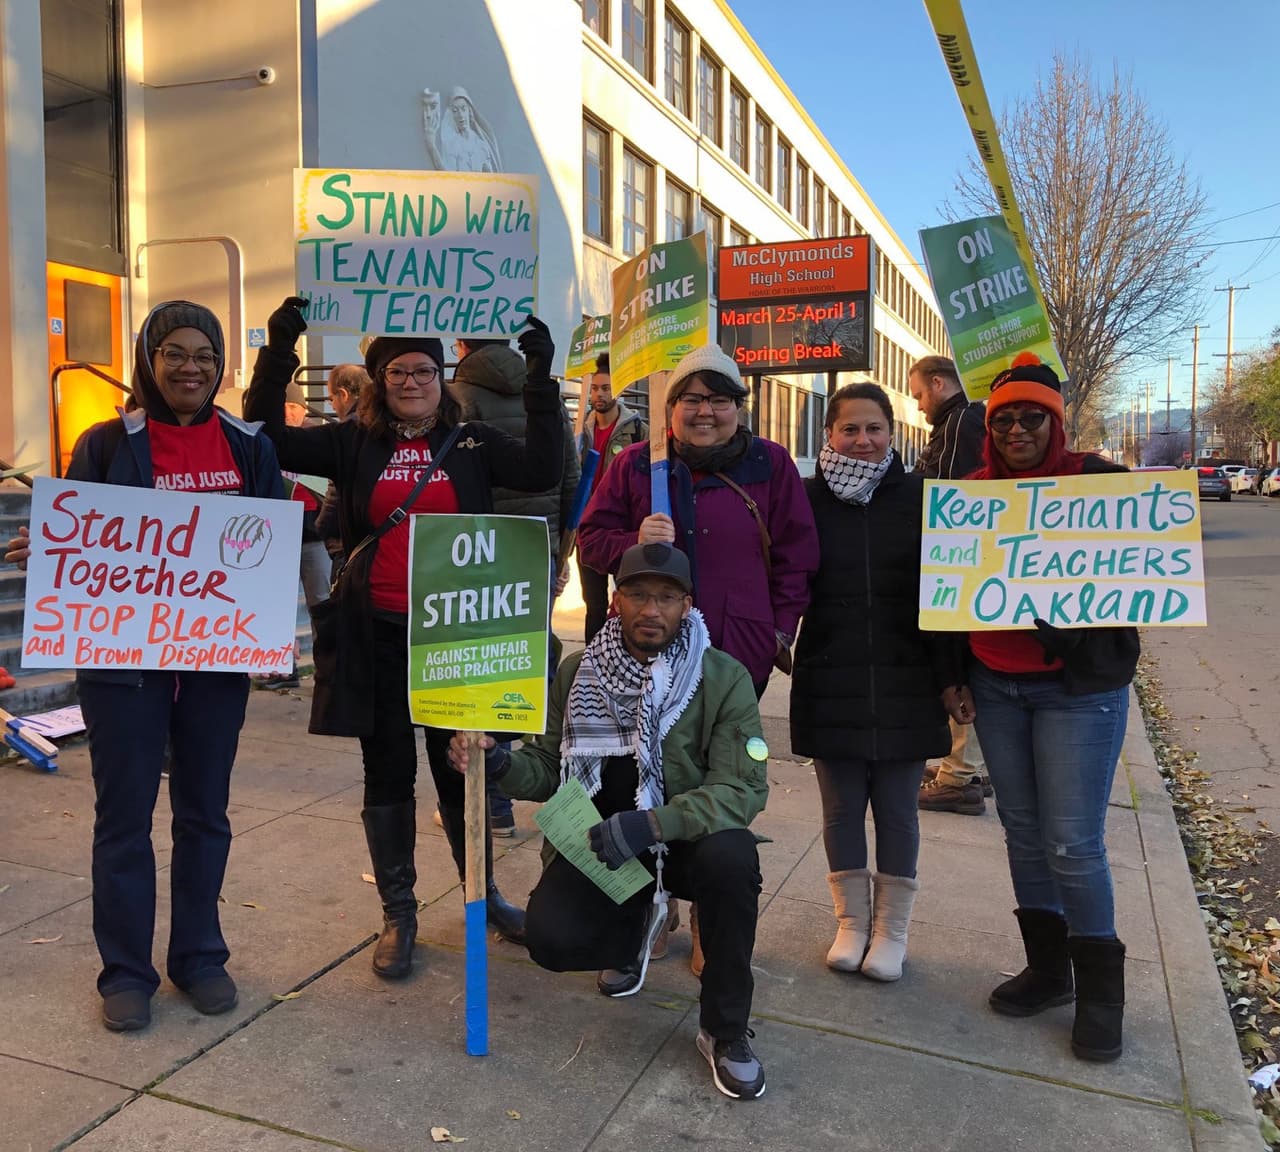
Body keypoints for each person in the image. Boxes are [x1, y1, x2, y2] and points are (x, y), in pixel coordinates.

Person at [242, 298, 563, 979]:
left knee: (460, 772)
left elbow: (541, 465)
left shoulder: (471, 442)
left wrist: (540, 374)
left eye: (423, 370)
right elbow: (265, 432)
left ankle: (482, 899)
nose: (411, 382)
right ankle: (399, 913)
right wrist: (280, 347)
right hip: (376, 635)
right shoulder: (350, 442)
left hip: (455, 640)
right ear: (378, 379)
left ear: (441, 376)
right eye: (396, 372)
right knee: (386, 774)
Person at [5, 301, 285, 1032]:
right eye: (175, 353)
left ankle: (199, 956)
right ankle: (125, 970)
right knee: (123, 816)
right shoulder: (105, 443)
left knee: (204, 814)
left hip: (215, 668)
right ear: (148, 359)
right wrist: (55, 554)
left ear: (221, 366)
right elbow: (85, 536)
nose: (191, 367)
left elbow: (266, 545)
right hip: (123, 667)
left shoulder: (249, 446)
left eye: (204, 355)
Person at [447, 543, 769, 1100]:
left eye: (666, 597)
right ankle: (634, 930)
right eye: (638, 594)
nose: (652, 610)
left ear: (687, 605)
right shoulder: (579, 670)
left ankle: (725, 1027)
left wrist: (653, 825)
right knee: (551, 942)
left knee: (733, 859)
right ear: (615, 599)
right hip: (601, 842)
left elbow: (742, 788)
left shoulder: (721, 677)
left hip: (682, 840)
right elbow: (549, 769)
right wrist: (498, 762)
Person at [578, 342, 818, 976]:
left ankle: (713, 917)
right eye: (691, 398)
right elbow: (591, 538)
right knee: (641, 775)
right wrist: (633, 540)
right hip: (642, 654)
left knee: (718, 778)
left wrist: (780, 631)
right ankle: (654, 909)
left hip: (734, 654)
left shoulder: (771, 464)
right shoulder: (636, 464)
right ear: (670, 408)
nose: (704, 411)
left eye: (718, 399)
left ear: (739, 406)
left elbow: (796, 554)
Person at [957, 355, 1138, 1063]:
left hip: (1078, 692)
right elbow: (944, 600)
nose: (1017, 429)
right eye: (1003, 419)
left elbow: (1149, 576)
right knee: (1023, 832)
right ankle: (1049, 969)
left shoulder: (1102, 484)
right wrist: (953, 676)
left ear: (1056, 422)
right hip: (996, 684)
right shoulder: (969, 494)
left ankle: (1102, 997)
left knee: (1073, 842)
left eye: (1033, 417)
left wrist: (1075, 620)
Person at [790, 383, 959, 981]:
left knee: (897, 812)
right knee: (840, 813)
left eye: (874, 429)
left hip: (908, 678)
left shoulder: (922, 497)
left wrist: (951, 677)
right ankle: (851, 924)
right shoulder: (804, 499)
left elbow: (948, 594)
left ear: (893, 434)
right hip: (829, 675)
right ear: (827, 436)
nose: (863, 441)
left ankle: (892, 932)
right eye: (849, 430)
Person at [448, 333, 580, 836]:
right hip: (535, 549)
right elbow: (567, 471)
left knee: (476, 670)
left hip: (476, 551)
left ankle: (492, 802)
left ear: (461, 343)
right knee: (517, 664)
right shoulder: (540, 390)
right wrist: (560, 548)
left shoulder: (457, 396)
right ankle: (505, 789)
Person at [909, 354, 991, 817]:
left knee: (959, 664)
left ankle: (959, 774)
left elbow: (945, 491)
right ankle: (963, 766)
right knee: (956, 661)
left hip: (956, 560)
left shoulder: (961, 421)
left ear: (939, 384)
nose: (918, 404)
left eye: (920, 393)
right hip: (960, 561)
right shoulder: (958, 422)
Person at [574, 353, 647, 643]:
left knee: (626, 602)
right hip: (588, 532)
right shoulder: (580, 431)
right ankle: (594, 658)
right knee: (593, 604)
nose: (599, 394)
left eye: (605, 388)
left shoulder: (636, 429)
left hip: (622, 531)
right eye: (594, 388)